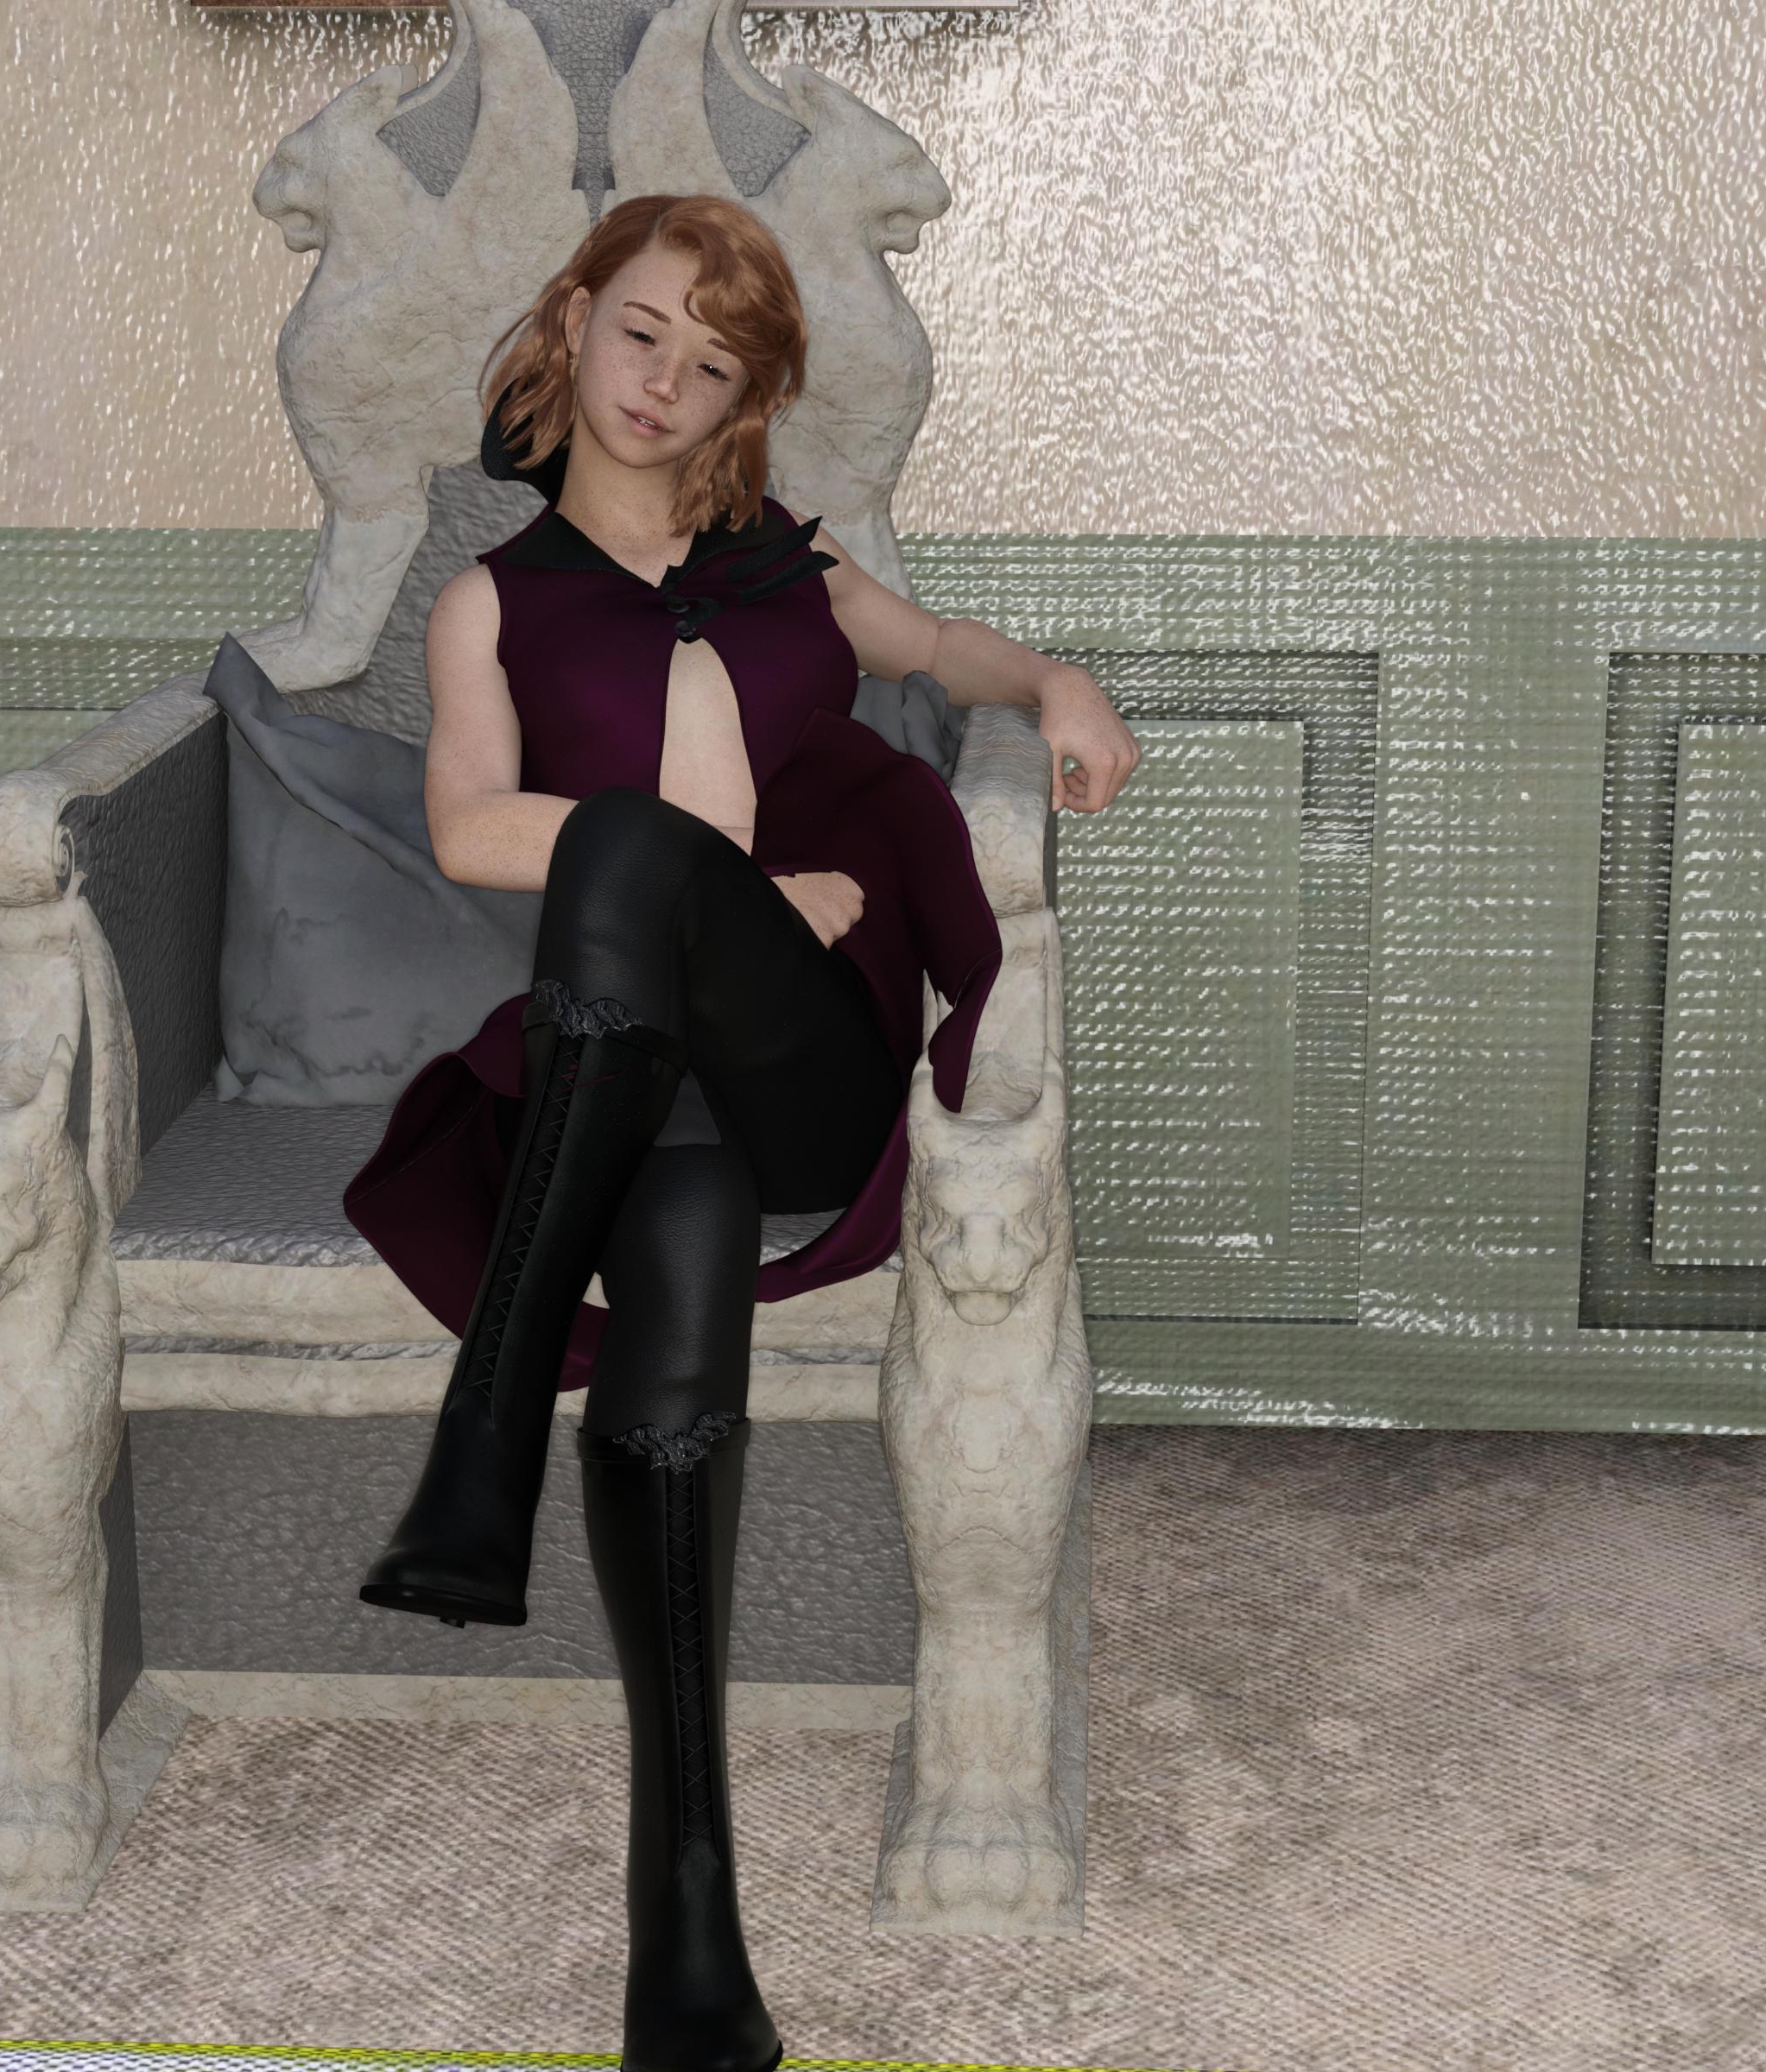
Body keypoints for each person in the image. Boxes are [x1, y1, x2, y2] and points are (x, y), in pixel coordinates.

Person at [339, 193, 1140, 2072]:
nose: (662, 384)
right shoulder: (490, 605)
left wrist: (1058, 681)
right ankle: (688, 1942)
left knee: (630, 852)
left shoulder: (795, 566)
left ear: (743, 400)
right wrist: (729, 889)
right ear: (573, 319)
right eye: (642, 334)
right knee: (675, 1272)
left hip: (812, 1063)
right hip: (635, 1079)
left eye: (710, 367)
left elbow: (942, 651)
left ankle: (482, 1438)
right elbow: (468, 828)